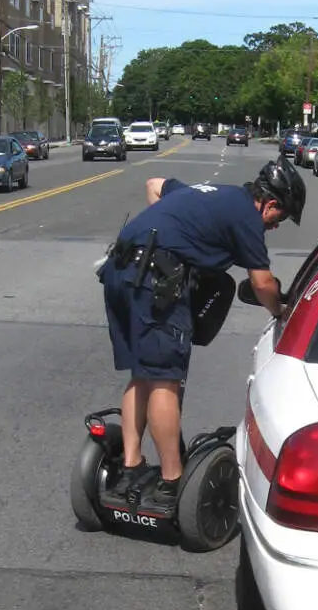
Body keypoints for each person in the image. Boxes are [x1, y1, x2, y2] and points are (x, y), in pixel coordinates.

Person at [97, 157, 306, 513]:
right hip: (154, 281)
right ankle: (171, 480)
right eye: (280, 218)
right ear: (270, 203)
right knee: (165, 380)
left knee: (143, 374)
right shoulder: (247, 219)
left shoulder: (208, 193)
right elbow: (262, 283)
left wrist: (174, 231)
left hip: (119, 271)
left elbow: (154, 183)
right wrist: (280, 311)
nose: (275, 226)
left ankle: (130, 467)